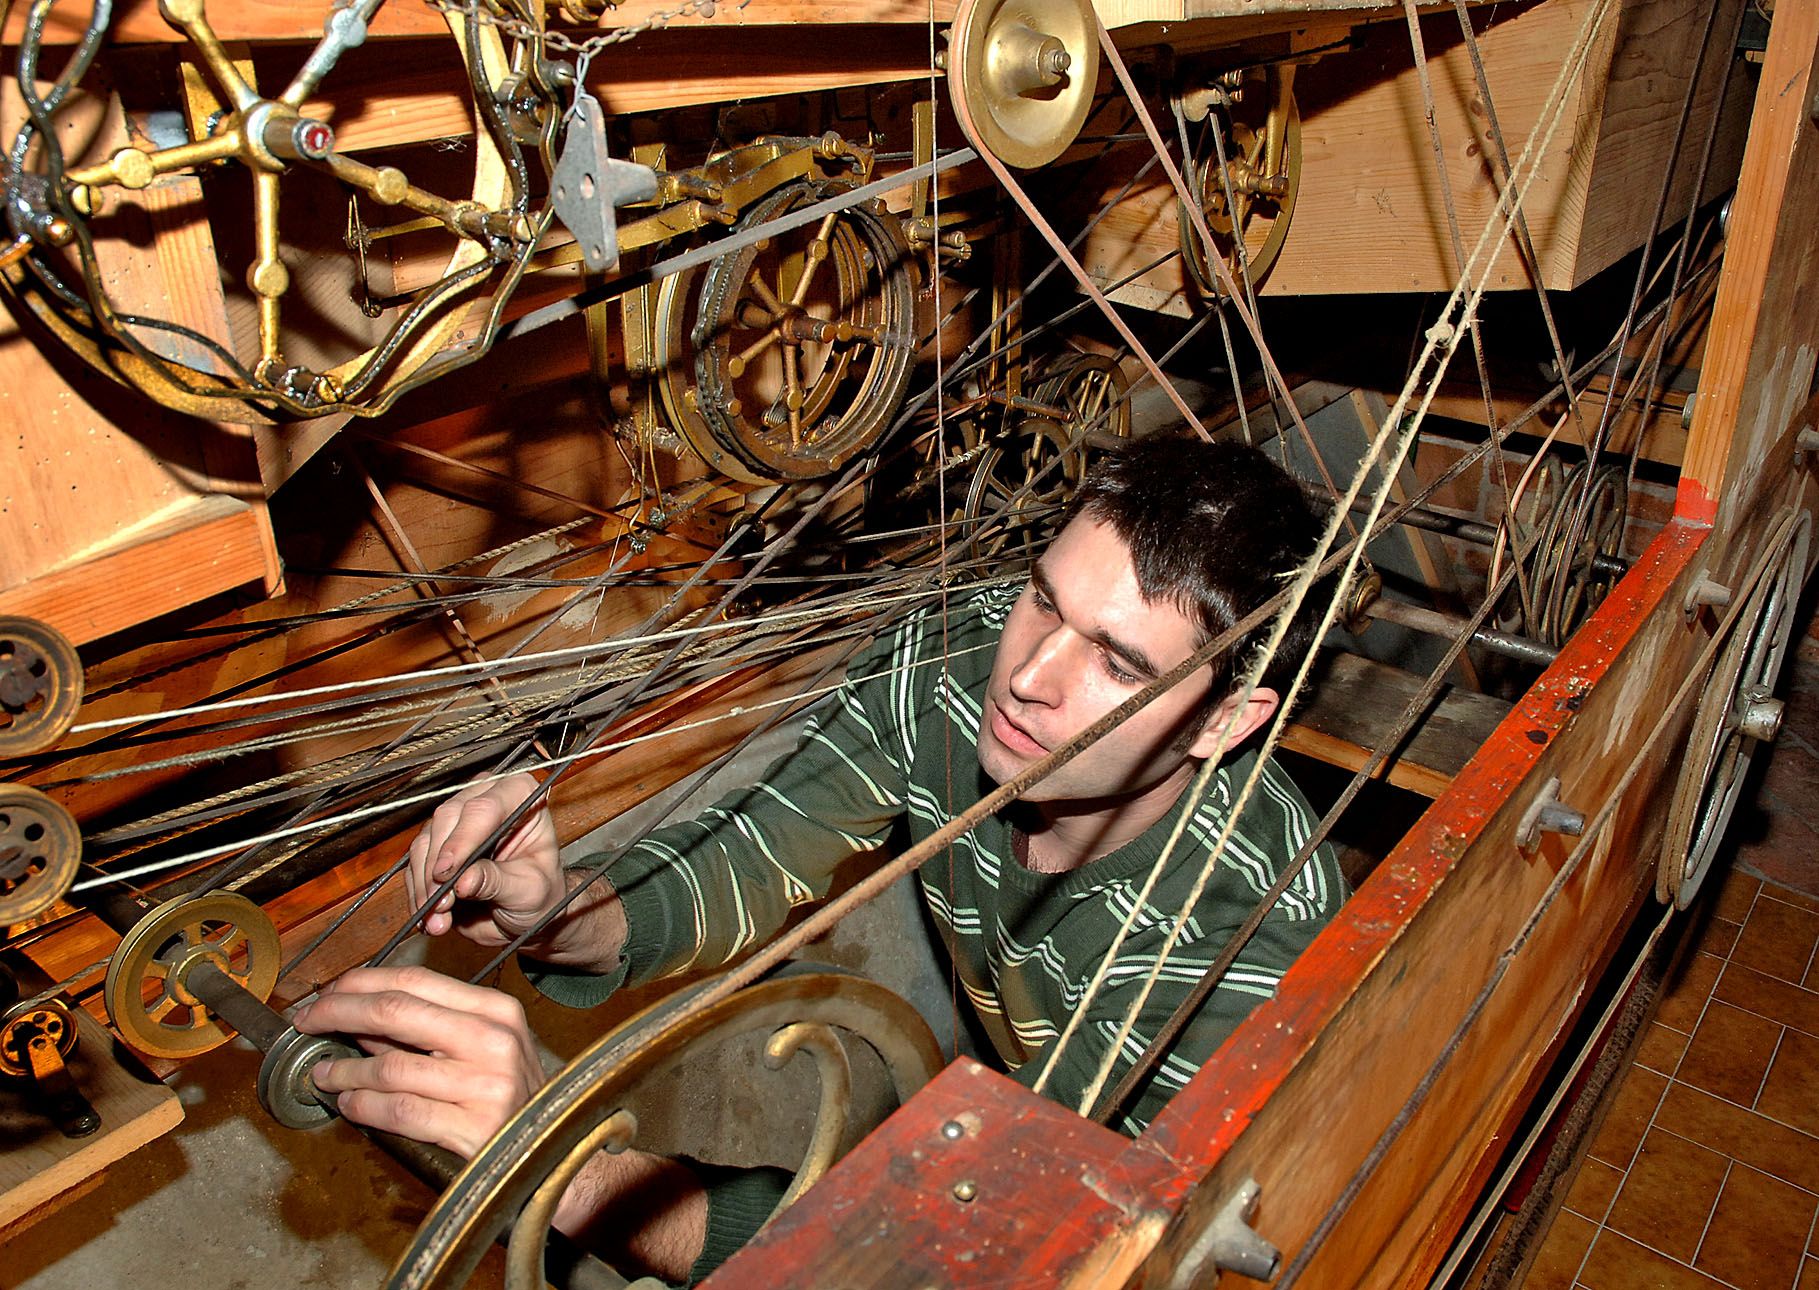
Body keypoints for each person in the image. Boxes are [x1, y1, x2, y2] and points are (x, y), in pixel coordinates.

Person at [292, 434, 1349, 1284]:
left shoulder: (1248, 944)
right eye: (1043, 599)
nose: (1029, 675)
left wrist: (566, 1172)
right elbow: (750, 852)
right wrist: (557, 908)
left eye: (1117, 664)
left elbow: (959, 1258)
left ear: (1226, 722)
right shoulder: (957, 656)